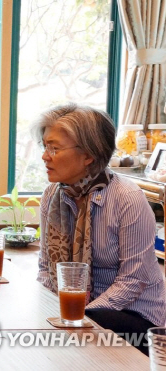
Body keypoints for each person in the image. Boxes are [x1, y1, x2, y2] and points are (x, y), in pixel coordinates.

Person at [34, 103, 166, 354]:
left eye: (54, 148)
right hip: (76, 311)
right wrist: (49, 308)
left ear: (88, 155)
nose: (45, 156)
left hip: (133, 318)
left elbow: (132, 280)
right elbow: (44, 267)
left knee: (76, 335)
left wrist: (81, 314)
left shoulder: (128, 198)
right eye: (45, 146)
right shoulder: (53, 195)